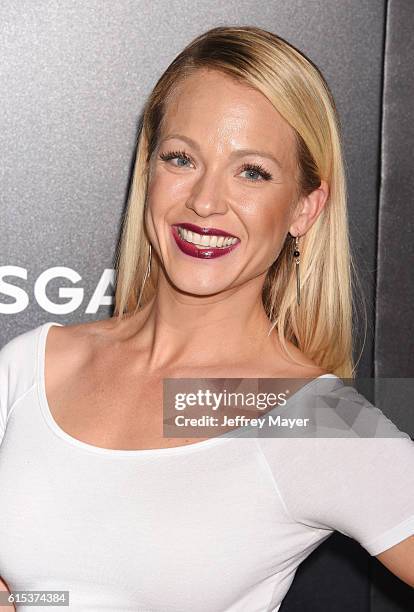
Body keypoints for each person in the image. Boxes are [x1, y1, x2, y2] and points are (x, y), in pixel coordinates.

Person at [0, 25, 413, 611]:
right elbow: (65, 590)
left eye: (252, 172)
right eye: (182, 158)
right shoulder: (34, 367)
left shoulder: (312, 418)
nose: (205, 200)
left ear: (304, 207)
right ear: (150, 170)